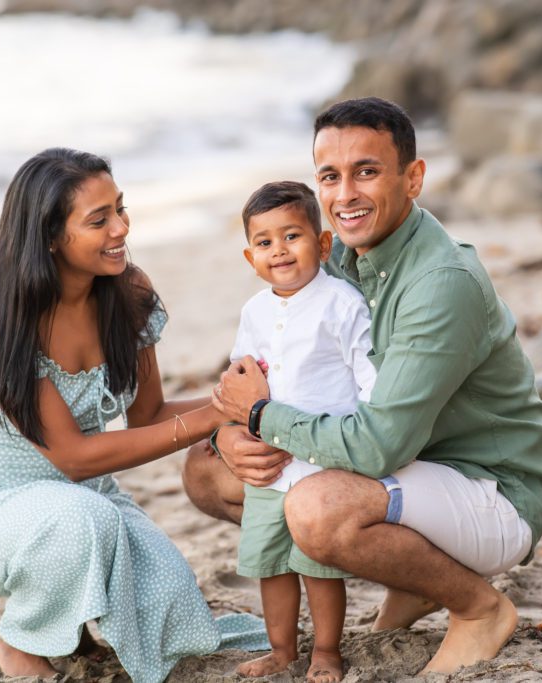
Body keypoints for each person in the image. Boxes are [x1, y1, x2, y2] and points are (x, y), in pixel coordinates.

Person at [192, 97, 542, 674]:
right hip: (414, 473)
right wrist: (231, 435)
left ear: (413, 178)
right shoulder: (337, 254)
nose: (345, 195)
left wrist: (261, 417)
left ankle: (479, 608)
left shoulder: (440, 283)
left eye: (366, 171)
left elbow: (378, 447)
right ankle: (414, 580)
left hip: (488, 489)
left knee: (316, 509)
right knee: (209, 471)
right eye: (329, 177)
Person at [0, 148, 268, 683]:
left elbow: (149, 414)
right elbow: (74, 459)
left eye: (120, 208)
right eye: (99, 220)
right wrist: (213, 416)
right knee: (83, 520)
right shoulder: (0, 324)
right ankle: (17, 641)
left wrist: (239, 408)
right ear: (49, 236)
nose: (121, 228)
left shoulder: (128, 292)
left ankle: (70, 628)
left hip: (89, 505)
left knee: (179, 613)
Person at [230, 181, 376, 683]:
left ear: (323, 243)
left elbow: (369, 378)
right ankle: (282, 650)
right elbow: (240, 376)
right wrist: (233, 431)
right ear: (251, 257)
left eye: (292, 236)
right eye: (265, 242)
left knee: (317, 566)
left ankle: (327, 652)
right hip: (270, 467)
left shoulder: (341, 303)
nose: (279, 250)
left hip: (322, 463)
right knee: (271, 563)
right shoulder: (254, 311)